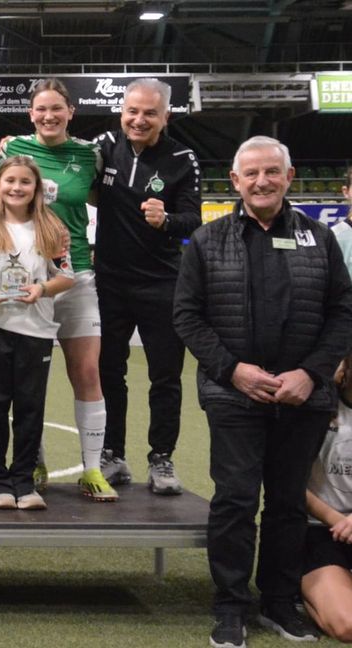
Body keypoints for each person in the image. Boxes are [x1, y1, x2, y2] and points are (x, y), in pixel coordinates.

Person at [172, 136, 352, 648]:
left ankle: (279, 602)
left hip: (304, 397)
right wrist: (234, 371)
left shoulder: (319, 238)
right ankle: (230, 607)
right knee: (234, 500)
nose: (261, 181)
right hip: (234, 397)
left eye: (271, 171)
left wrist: (311, 374)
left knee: (289, 504)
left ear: (289, 177)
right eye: (250, 173)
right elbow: (187, 316)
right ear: (234, 181)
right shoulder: (208, 241)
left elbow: (343, 312)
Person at [3, 78, 115, 502]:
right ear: (30, 114)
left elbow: (102, 200)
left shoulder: (90, 155)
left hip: (78, 276)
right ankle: (34, 460)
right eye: (40, 109)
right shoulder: (13, 152)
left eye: (57, 109)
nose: (48, 116)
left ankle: (91, 468)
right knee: (29, 379)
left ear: (71, 112)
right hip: (29, 278)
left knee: (86, 372)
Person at [94, 78, 202, 496]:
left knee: (166, 376)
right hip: (109, 282)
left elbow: (194, 218)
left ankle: (161, 457)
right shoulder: (103, 146)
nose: (139, 120)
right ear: (122, 111)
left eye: (149, 113)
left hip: (162, 282)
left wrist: (168, 220)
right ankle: (111, 452)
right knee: (109, 370)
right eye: (132, 111)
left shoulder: (182, 158)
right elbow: (59, 155)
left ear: (165, 116)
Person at [0, 156, 74, 511]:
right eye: (10, 181)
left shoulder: (52, 229)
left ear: (36, 189)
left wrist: (42, 290)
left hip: (37, 329)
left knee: (30, 407)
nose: (17, 187)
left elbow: (65, 277)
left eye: (25, 182)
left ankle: (24, 481)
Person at [300, 357, 352, 643]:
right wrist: (341, 522)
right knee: (347, 626)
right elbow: (290, 485)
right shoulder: (317, 407)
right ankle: (307, 591)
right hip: (320, 530)